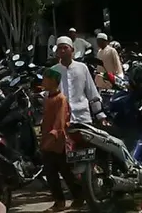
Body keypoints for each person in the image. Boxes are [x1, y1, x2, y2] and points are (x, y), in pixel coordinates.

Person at [39, 65, 81, 211]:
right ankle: (59, 201)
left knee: (66, 172)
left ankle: (79, 196)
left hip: (58, 142)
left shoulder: (60, 99)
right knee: (50, 173)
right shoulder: (47, 98)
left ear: (52, 81)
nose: (43, 81)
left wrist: (53, 134)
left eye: (45, 79)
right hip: (47, 141)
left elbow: (60, 120)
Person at [52, 36, 103, 125]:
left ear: (72, 50)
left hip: (82, 117)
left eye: (65, 47)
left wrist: (100, 115)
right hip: (61, 118)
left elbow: (92, 93)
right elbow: (49, 96)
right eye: (60, 48)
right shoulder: (53, 71)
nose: (62, 51)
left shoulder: (82, 68)